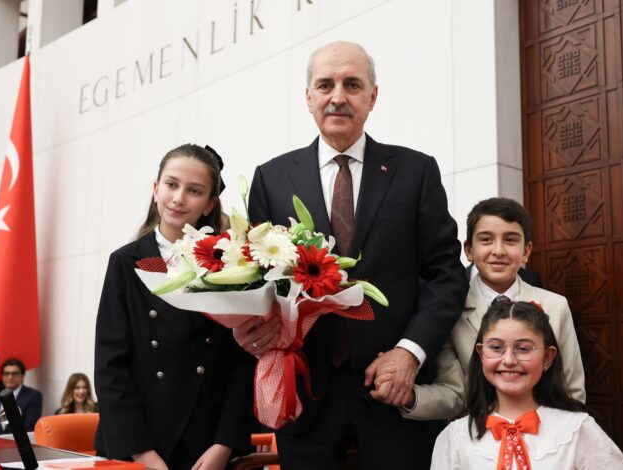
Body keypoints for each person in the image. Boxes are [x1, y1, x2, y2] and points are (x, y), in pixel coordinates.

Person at [234, 41, 468, 469]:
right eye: (325, 85)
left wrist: (410, 352)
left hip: (393, 390)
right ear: (308, 97)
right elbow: (259, 280)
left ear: (372, 96)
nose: (338, 97)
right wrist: (252, 332)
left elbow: (446, 275)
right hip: (305, 394)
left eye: (352, 85)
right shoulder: (271, 179)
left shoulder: (416, 172)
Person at [94, 144, 253, 470]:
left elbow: (240, 363)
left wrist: (224, 444)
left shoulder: (229, 262)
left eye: (194, 191)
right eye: (171, 184)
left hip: (206, 445)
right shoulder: (126, 262)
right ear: (156, 189)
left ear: (209, 203)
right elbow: (111, 367)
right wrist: (142, 454)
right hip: (139, 441)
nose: (179, 198)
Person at [379, 197, 585, 421]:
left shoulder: (556, 306)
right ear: (468, 249)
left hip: (544, 430)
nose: (498, 250)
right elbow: (455, 395)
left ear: (526, 251)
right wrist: (409, 396)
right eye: (486, 240)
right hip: (478, 432)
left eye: (510, 240)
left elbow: (571, 388)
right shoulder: (452, 310)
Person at [431, 301, 623, 469]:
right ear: (481, 354)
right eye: (496, 347)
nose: (509, 360)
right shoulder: (455, 437)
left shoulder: (577, 429)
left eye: (524, 348)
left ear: (548, 357)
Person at [0, 357, 42, 434]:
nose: (10, 377)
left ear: (22, 376)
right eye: (6, 373)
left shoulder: (33, 396)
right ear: (2, 376)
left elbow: (29, 427)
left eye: (14, 373)